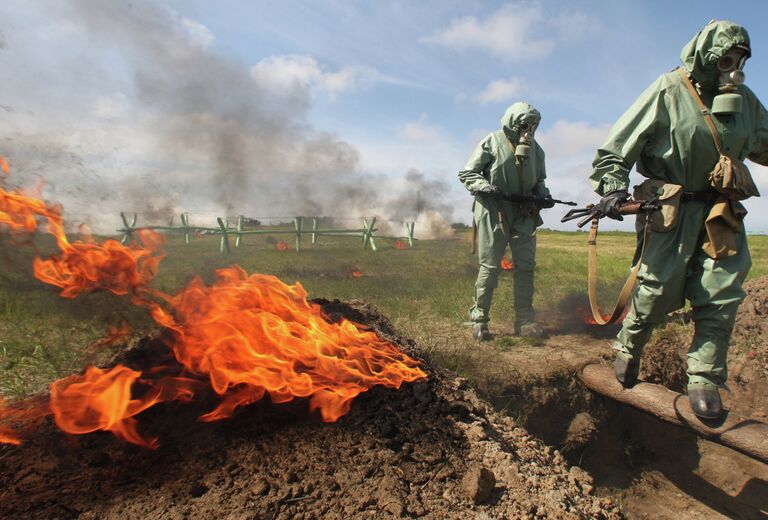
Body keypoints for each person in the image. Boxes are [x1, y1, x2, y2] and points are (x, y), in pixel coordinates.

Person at [590, 20, 768, 419]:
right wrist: (614, 186)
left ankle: (705, 379)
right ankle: (629, 348)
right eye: (726, 56)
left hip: (721, 212)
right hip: (670, 211)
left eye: (741, 59)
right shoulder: (669, 90)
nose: (733, 65)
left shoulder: (747, 101)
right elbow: (616, 149)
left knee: (720, 294)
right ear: (706, 53)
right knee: (655, 290)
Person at [459, 102, 553, 341]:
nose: (528, 131)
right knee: (490, 267)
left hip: (524, 214)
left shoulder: (537, 151)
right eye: (524, 125)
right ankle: (479, 319)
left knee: (526, 267)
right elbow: (468, 173)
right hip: (493, 210)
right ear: (513, 122)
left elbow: (539, 180)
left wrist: (544, 195)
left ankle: (525, 320)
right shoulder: (491, 141)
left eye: (533, 126)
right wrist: (485, 187)